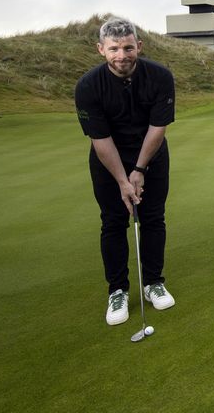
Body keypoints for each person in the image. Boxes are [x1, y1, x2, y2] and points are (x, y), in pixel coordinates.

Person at [74, 17, 176, 326]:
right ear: (101, 49)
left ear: (139, 47)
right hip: (108, 162)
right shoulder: (89, 86)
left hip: (152, 156)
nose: (122, 55)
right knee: (114, 222)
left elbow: (158, 129)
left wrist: (140, 170)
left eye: (128, 47)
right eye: (114, 48)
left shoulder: (160, 76)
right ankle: (117, 289)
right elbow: (100, 139)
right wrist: (122, 179)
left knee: (153, 218)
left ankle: (153, 282)